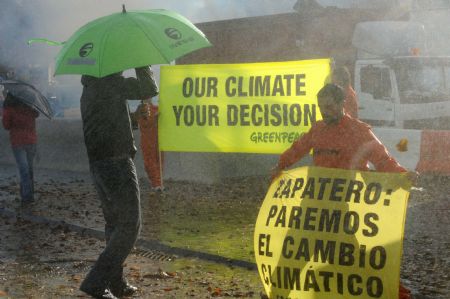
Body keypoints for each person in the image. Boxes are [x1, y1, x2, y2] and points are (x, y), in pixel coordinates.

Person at [271, 83, 417, 299]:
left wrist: (403, 175)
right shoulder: (317, 129)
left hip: (345, 208)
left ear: (342, 104)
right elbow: (298, 148)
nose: (324, 112)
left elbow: (382, 158)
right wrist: (281, 165)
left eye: (329, 107)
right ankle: (277, 292)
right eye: (321, 107)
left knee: (356, 258)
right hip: (314, 204)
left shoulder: (359, 131)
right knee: (294, 250)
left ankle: (393, 294)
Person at [79, 66, 158, 299]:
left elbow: (108, 122)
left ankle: (116, 283)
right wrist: (143, 64)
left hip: (99, 163)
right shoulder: (110, 83)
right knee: (130, 225)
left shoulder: (92, 86)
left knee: (114, 225)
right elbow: (149, 88)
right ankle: (96, 281)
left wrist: (134, 117)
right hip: (116, 162)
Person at [2, 92, 39, 204]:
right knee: (29, 170)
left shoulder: (9, 109)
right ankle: (28, 195)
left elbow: (6, 126)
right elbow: (35, 117)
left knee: (24, 170)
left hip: (18, 143)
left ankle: (26, 196)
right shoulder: (31, 108)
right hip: (31, 141)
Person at [132, 99, 164, 193]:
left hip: (157, 140)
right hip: (148, 141)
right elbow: (144, 122)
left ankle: (158, 183)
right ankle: (156, 184)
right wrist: (155, 118)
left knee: (159, 162)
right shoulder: (142, 109)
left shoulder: (156, 108)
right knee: (150, 163)